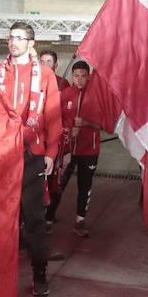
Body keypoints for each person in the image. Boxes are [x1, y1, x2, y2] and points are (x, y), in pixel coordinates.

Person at [0, 22, 63, 297]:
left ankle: (39, 273)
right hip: (0, 155)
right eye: (11, 38)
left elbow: (54, 116)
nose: (13, 42)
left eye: (20, 38)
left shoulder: (45, 75)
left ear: (31, 43)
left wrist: (51, 153)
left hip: (31, 154)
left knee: (34, 218)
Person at [45, 61, 101, 238]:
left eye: (83, 76)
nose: (80, 79)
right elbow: (54, 120)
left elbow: (104, 125)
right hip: (67, 150)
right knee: (58, 185)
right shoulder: (65, 95)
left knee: (85, 187)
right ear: (72, 76)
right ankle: (48, 219)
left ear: (88, 77)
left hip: (89, 151)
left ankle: (80, 221)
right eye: (76, 75)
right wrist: (67, 129)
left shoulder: (97, 97)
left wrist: (86, 123)